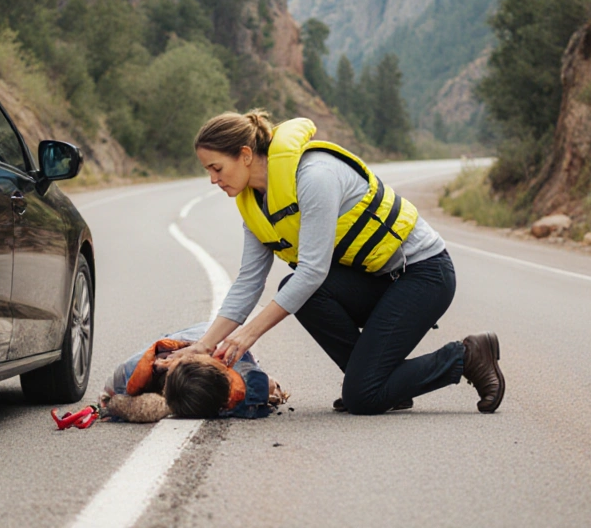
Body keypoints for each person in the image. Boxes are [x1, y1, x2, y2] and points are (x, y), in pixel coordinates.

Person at [172, 110, 505, 415]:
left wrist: (247, 336)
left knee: (362, 396)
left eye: (217, 168)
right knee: (298, 291)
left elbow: (313, 272)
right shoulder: (255, 204)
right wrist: (203, 346)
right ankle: (388, 386)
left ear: (245, 155)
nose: (213, 180)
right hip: (376, 281)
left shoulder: (314, 177)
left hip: (423, 275)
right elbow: (248, 282)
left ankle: (466, 356)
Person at [101, 322, 286, 422]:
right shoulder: (244, 376)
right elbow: (270, 385)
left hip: (199, 336)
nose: (214, 355)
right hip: (208, 332)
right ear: (222, 369)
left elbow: (106, 400)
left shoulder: (133, 370)